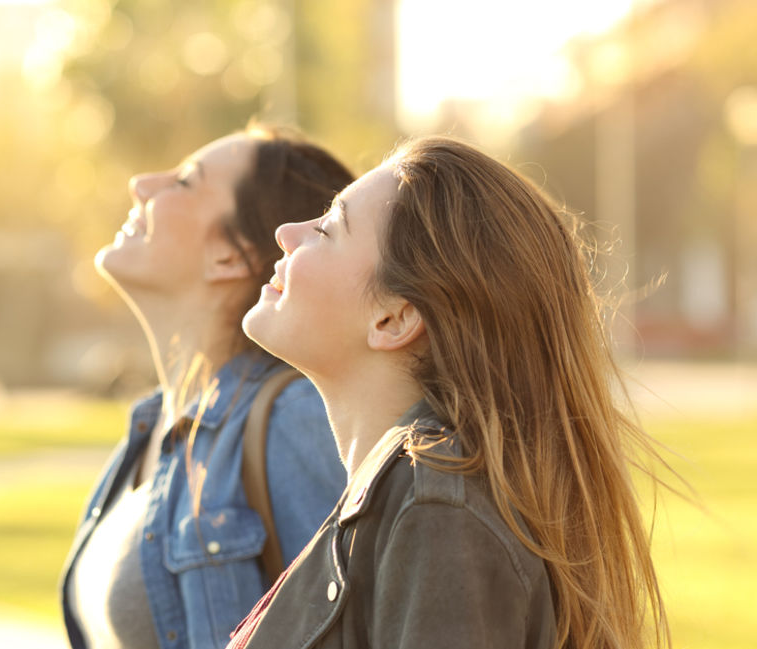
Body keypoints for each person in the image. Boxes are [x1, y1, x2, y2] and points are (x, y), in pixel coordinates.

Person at [232, 135, 671, 649]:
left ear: (395, 318)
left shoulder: (437, 509)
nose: (286, 232)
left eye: (328, 228)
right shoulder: (407, 495)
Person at [60, 124, 355, 649]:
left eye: (184, 182)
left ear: (234, 256)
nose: (142, 184)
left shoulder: (293, 419)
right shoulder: (150, 429)